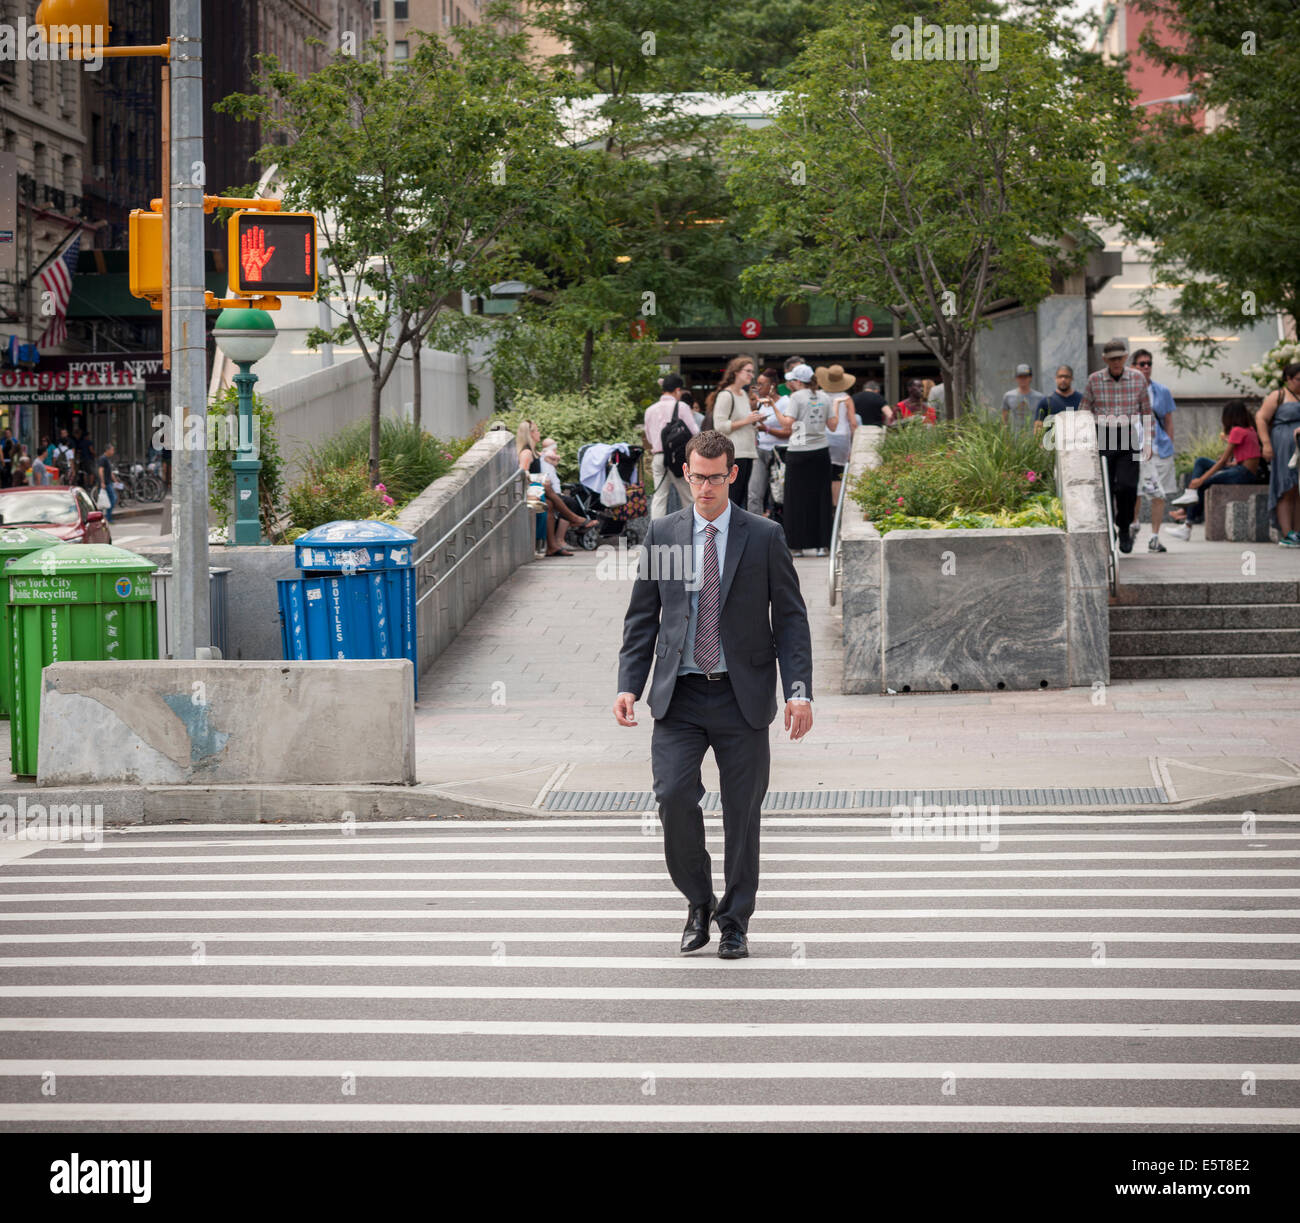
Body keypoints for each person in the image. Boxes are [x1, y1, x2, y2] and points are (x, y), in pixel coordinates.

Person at [613, 429, 814, 960]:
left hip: (741, 697)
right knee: (674, 796)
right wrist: (628, 684)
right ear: (685, 473)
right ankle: (698, 903)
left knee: (743, 813)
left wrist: (799, 691)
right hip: (678, 696)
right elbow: (643, 617)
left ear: (733, 474)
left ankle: (735, 921)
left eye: (715, 478)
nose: (704, 487)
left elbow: (791, 620)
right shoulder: (664, 534)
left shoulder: (764, 536)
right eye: (696, 477)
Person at [1079, 337, 1152, 554]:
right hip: (1103, 434)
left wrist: (1148, 441)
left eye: (1120, 358)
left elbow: (1147, 412)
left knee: (1128, 486)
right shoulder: (1094, 380)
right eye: (1112, 359)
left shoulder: (1138, 379)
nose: (1116, 362)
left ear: (1126, 357)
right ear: (1105, 359)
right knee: (1106, 488)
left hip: (1129, 434)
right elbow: (1084, 411)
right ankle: (1108, 527)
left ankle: (1124, 526)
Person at [1166, 400, 1264, 537]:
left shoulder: (1237, 431)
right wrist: (1231, 465)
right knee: (1201, 462)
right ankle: (1190, 497)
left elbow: (1223, 460)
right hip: (1243, 470)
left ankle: (1187, 524)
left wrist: (1201, 479)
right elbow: (1247, 457)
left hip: (1243, 474)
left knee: (1204, 483)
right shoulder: (1250, 430)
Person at [770, 363, 832, 557]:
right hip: (821, 450)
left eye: (792, 380)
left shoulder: (796, 397)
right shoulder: (824, 396)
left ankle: (796, 545)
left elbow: (787, 424)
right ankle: (823, 544)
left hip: (798, 450)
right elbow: (832, 424)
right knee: (821, 497)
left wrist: (773, 406)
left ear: (797, 381)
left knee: (796, 498)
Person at [517, 419, 598, 557]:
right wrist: (540, 479)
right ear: (530, 433)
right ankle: (574, 519)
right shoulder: (526, 453)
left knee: (549, 503)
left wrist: (550, 460)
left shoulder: (534, 451)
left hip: (539, 492)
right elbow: (522, 474)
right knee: (548, 488)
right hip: (531, 491)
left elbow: (548, 458)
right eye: (536, 430)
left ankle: (552, 547)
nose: (539, 433)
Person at [1127, 350, 1177, 553]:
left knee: (1159, 495)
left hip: (1159, 448)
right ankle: (1133, 524)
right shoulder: (1127, 390)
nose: (1146, 367)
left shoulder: (1161, 391)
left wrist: (1170, 445)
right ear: (1133, 367)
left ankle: (1155, 537)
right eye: (1141, 364)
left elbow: (1168, 420)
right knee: (1136, 492)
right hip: (1136, 449)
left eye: (1149, 363)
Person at [707, 355, 764, 509]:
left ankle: (735, 530)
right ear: (736, 372)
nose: (751, 375)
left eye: (752, 372)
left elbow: (742, 421)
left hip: (747, 451)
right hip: (734, 452)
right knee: (733, 497)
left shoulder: (743, 394)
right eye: (748, 371)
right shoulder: (726, 395)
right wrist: (747, 421)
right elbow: (719, 425)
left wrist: (754, 421)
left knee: (740, 498)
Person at [1255, 361, 1300, 547]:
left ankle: (1297, 532)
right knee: (1287, 487)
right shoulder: (1279, 395)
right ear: (1288, 379)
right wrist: (1266, 444)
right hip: (1284, 443)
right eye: (1298, 379)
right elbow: (1261, 418)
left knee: (1298, 488)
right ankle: (1287, 531)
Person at [645, 373, 700, 519]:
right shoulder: (681, 406)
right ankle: (692, 531)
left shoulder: (650, 410)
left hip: (658, 457)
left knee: (659, 497)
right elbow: (695, 432)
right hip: (678, 458)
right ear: (677, 390)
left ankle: (655, 535)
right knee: (688, 496)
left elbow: (649, 437)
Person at [817, 364, 857, 504]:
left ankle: (823, 506)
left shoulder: (819, 396)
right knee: (837, 474)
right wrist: (854, 446)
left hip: (823, 436)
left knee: (822, 473)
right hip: (842, 438)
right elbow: (853, 422)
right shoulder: (846, 398)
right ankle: (835, 506)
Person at [747, 368, 784, 517]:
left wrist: (766, 429)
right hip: (760, 451)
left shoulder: (785, 403)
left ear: (773, 386)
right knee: (754, 493)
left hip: (778, 453)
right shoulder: (760, 404)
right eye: (758, 384)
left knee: (778, 494)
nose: (759, 388)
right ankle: (753, 527)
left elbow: (790, 431)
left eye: (762, 384)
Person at [1001, 364, 1044, 431]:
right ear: (1016, 378)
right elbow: (1004, 420)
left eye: (1025, 376)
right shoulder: (1008, 396)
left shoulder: (1039, 397)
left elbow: (1042, 420)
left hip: (1033, 438)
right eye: (1020, 376)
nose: (1023, 379)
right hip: (1014, 438)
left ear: (1030, 377)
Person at [94, 441, 118, 523]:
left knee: (111, 498)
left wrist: (115, 480)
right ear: (107, 450)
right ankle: (108, 517)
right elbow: (101, 471)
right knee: (113, 498)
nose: (113, 452)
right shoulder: (103, 459)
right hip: (106, 483)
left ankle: (108, 516)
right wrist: (102, 482)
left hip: (108, 482)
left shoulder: (107, 459)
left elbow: (109, 471)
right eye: (112, 450)